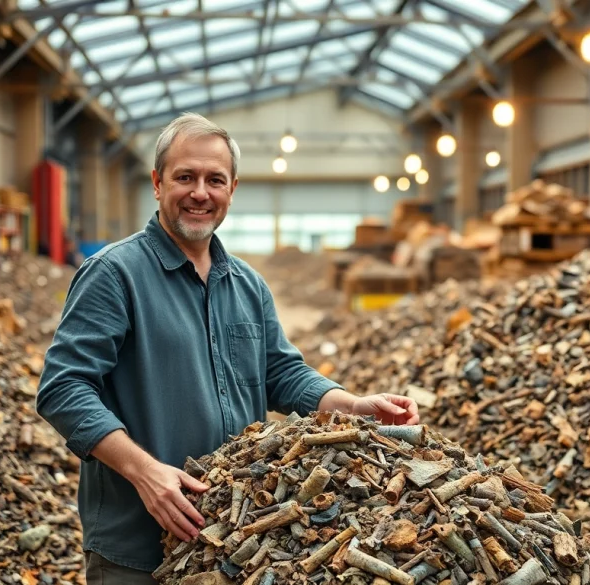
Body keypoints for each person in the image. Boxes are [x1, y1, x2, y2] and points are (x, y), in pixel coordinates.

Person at [36, 112, 420, 584]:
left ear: (232, 190)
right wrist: (145, 473)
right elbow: (64, 388)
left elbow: (282, 373)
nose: (201, 192)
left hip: (232, 542)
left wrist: (353, 404)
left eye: (215, 179)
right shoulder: (114, 275)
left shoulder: (246, 284)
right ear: (157, 184)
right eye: (185, 177)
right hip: (138, 547)